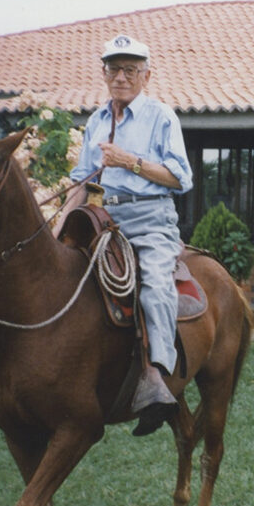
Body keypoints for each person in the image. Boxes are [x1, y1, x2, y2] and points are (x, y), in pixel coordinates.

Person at [71, 34, 193, 436]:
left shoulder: (162, 117)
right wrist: (55, 226)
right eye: (113, 69)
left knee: (155, 286)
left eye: (129, 70)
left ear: (146, 75)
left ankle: (156, 377)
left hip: (151, 217)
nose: (120, 77)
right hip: (102, 213)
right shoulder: (97, 120)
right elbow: (81, 179)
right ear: (104, 74)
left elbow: (180, 178)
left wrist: (130, 161)